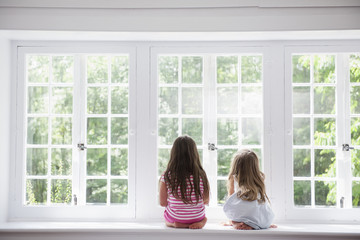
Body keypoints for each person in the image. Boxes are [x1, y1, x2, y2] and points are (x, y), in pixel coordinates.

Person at [159, 135, 210, 229]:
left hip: (176, 218)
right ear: (194, 154)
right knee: (203, 216)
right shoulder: (201, 175)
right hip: (197, 218)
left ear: (174, 154)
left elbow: (162, 203)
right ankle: (202, 221)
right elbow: (206, 200)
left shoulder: (167, 175)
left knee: (166, 219)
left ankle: (173, 224)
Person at [223, 149, 276, 230]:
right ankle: (258, 224)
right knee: (260, 210)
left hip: (242, 214)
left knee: (234, 212)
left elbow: (231, 198)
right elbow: (262, 198)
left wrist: (231, 218)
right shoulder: (259, 177)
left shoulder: (234, 178)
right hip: (259, 217)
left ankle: (239, 223)